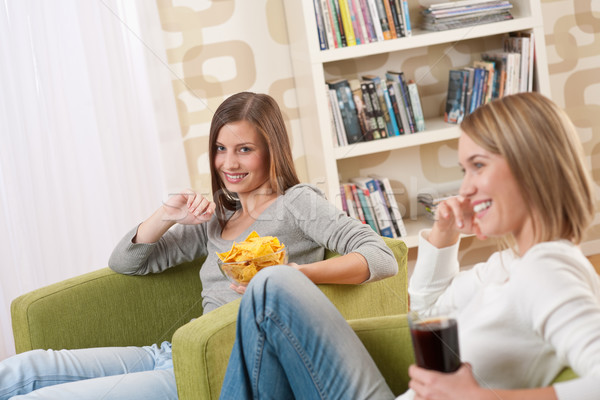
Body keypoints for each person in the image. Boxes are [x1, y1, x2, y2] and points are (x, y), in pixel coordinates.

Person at [0, 92, 397, 400]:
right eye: (220, 149)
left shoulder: (297, 203)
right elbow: (127, 263)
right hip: (169, 351)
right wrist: (166, 215)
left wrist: (295, 276)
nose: (229, 163)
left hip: (209, 364)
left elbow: (381, 258)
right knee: (19, 372)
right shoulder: (217, 216)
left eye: (245, 149)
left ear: (271, 150)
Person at [218, 92, 600, 400]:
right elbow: (426, 311)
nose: (465, 188)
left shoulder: (547, 269)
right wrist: (444, 236)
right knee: (272, 298)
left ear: (531, 164)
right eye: (464, 170)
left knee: (273, 286)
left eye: (478, 166)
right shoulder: (509, 264)